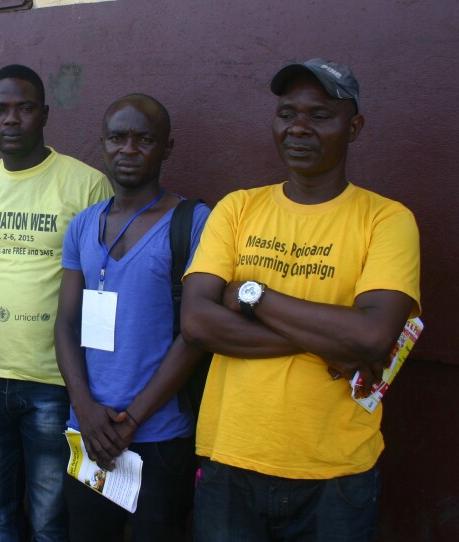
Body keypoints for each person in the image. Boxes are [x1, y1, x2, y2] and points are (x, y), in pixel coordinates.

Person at [181, 59, 421, 541]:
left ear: (353, 128)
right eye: (287, 113)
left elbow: (372, 336)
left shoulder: (387, 220)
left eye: (319, 115)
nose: (298, 128)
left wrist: (250, 294)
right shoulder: (237, 208)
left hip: (336, 473)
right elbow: (197, 324)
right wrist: (331, 343)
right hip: (231, 459)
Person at [0, 64, 113, 541]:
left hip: (55, 383)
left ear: (44, 113)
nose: (11, 119)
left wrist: (94, 382)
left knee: (50, 521)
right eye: (0, 109)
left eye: (24, 108)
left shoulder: (86, 186)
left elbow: (104, 292)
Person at [54, 94, 209, 542]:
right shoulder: (83, 225)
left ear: (167, 147)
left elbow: (194, 337)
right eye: (118, 138)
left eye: (145, 139)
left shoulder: (193, 222)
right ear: (102, 143)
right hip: (87, 431)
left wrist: (133, 421)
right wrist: (84, 408)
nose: (129, 149)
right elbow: (66, 323)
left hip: (158, 437)